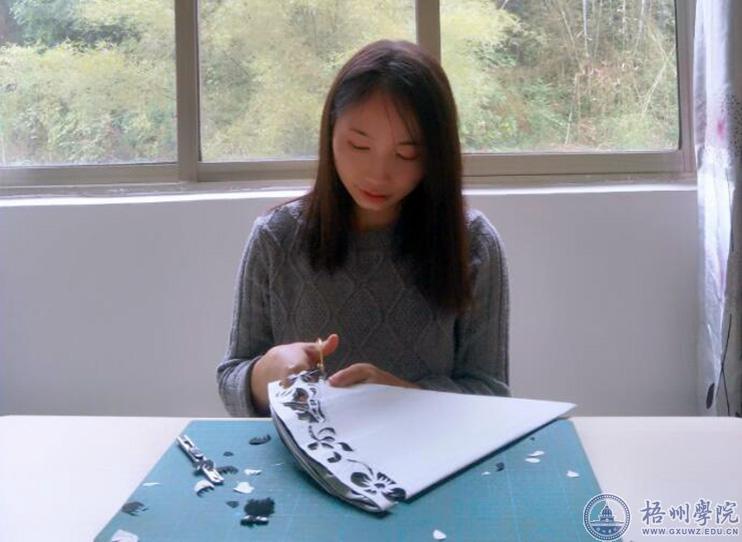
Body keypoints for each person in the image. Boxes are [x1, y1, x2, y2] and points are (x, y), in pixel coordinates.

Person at [217, 39, 510, 417]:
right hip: (303, 451)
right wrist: (265, 372)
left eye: (406, 153)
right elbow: (231, 379)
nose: (378, 174)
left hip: (424, 450)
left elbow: (491, 394)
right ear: (330, 132)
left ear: (436, 156)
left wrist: (404, 396)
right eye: (358, 146)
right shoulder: (277, 237)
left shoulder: (473, 243)